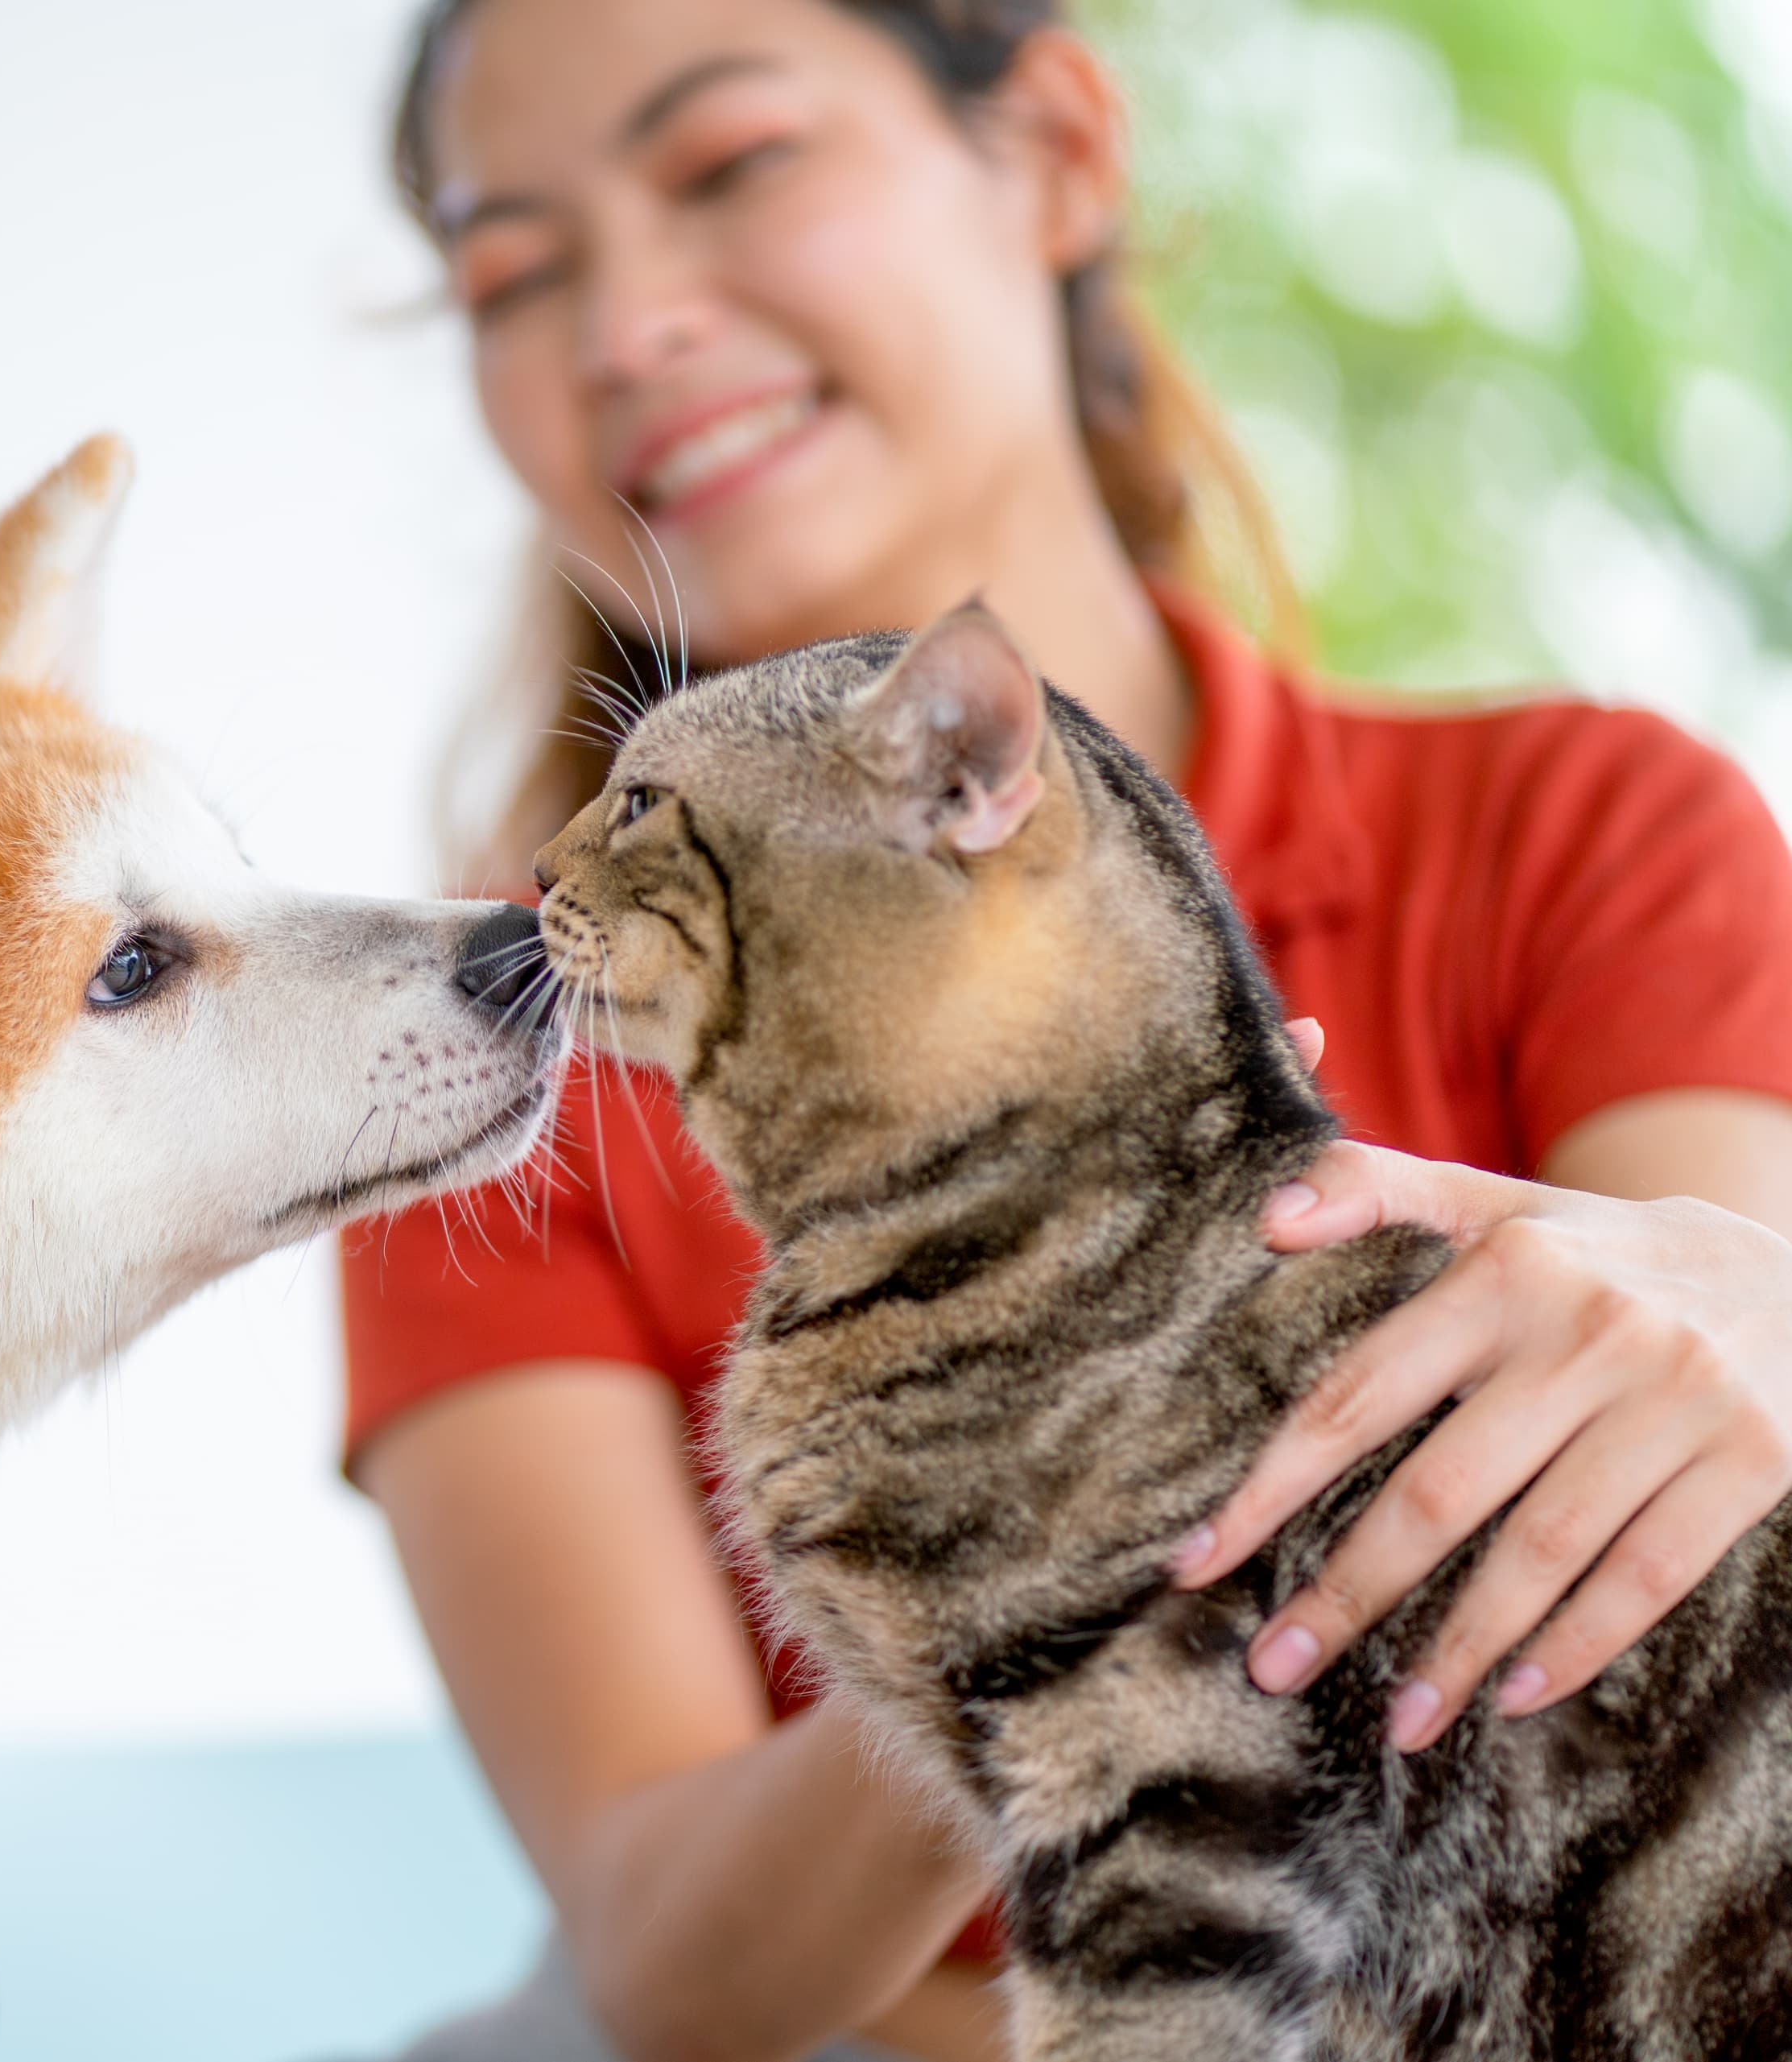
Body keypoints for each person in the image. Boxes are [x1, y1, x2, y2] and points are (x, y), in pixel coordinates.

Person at [340, 3, 1792, 2060]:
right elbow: (660, 1970)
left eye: (734, 161)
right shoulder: (507, 1037)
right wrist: (1058, 1514)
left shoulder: (1588, 833)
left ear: (1056, 147)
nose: (631, 323)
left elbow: (1674, 1630)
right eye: (513, 272)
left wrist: (1764, 1304)